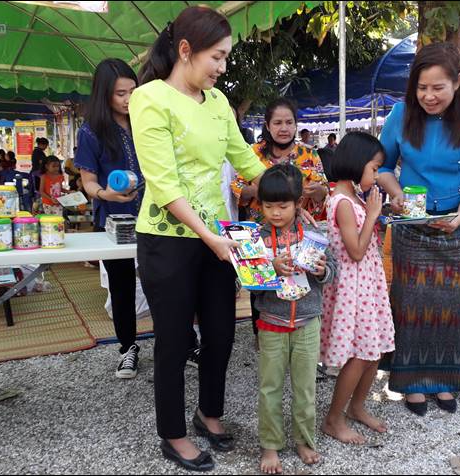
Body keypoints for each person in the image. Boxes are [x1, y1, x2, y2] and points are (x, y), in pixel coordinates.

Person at [129, 6, 266, 472]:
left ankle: (209, 413)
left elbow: (244, 159)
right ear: (185, 51)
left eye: (227, 58)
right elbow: (164, 185)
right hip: (170, 239)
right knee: (172, 339)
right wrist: (208, 235)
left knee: (223, 333)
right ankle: (172, 434)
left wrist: (286, 186)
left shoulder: (220, 103)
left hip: (219, 237)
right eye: (218, 57)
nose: (223, 68)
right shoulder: (148, 99)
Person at [377, 43, 460, 414]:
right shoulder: (400, 115)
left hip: (457, 227)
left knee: (452, 304)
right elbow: (382, 168)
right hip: (412, 225)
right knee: (412, 303)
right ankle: (411, 382)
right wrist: (395, 194)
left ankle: (445, 381)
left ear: (457, 83)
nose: (428, 96)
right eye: (421, 88)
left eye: (437, 88)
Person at [252, 164, 335, 474]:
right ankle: (270, 445)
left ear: (299, 203)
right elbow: (246, 281)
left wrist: (321, 270)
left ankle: (304, 439)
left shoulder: (315, 234)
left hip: (308, 322)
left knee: (305, 387)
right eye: (268, 205)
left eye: (283, 205)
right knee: (269, 387)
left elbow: (332, 273)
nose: (275, 213)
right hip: (271, 321)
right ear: (260, 205)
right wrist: (269, 267)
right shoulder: (256, 239)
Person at [231, 98, 329, 341]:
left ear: (296, 125)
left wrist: (315, 191)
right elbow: (237, 190)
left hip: (298, 229)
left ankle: (301, 331)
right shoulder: (253, 153)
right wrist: (268, 191)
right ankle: (262, 332)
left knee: (299, 273)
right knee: (261, 278)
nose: (283, 128)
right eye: (277, 123)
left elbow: (324, 190)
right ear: (267, 125)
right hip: (259, 229)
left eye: (289, 122)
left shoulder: (308, 153)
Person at [320, 132, 395, 443]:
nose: (376, 176)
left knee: (373, 350)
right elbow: (356, 250)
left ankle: (357, 407)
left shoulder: (353, 198)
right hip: (353, 287)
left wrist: (380, 213)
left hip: (366, 285)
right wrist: (375, 215)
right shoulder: (342, 202)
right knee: (361, 354)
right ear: (357, 163)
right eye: (374, 168)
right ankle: (333, 418)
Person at [74, 58, 144, 379]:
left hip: (154, 215)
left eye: (133, 91)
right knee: (121, 285)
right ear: (104, 95)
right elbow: (87, 182)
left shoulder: (147, 121)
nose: (129, 99)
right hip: (114, 221)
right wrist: (105, 194)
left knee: (166, 280)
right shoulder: (91, 130)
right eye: (121, 94)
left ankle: (184, 342)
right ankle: (128, 347)